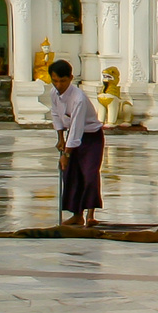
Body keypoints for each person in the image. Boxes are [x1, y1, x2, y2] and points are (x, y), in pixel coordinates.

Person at [48, 59, 103, 226]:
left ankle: (90, 214)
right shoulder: (53, 93)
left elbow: (77, 128)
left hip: (90, 137)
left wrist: (66, 154)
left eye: (63, 81)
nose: (59, 85)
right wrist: (60, 138)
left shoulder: (78, 98)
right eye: (55, 80)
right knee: (71, 175)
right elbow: (56, 115)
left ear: (71, 78)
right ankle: (77, 214)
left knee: (89, 174)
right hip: (70, 136)